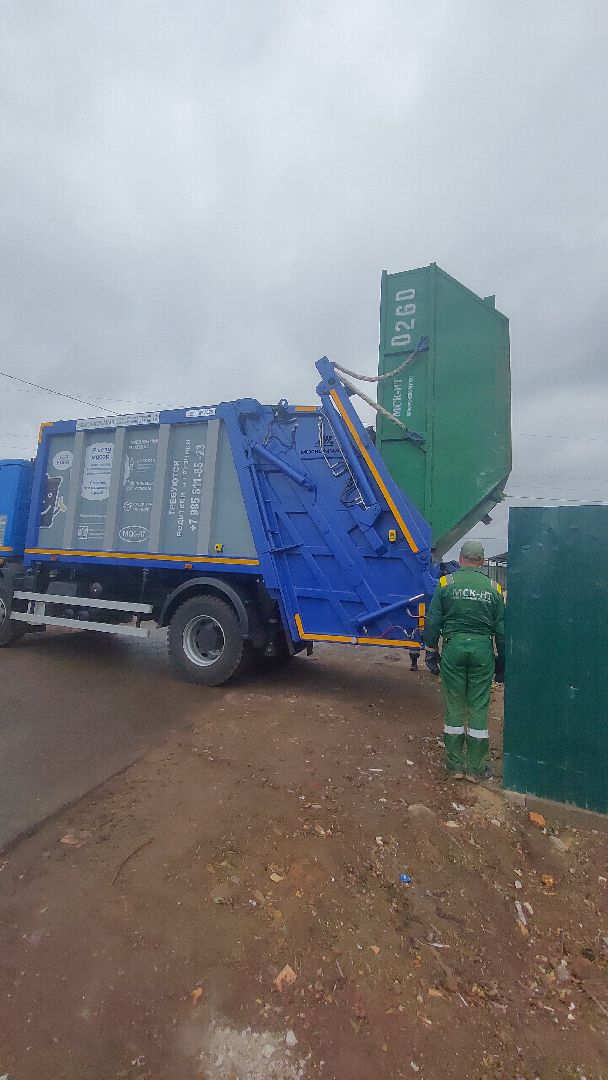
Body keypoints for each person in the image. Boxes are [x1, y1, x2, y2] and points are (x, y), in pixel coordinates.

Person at [423, 540, 505, 782]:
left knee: (454, 704)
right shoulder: (494, 588)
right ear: (482, 561)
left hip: (454, 648)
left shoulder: (445, 583)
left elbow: (433, 621)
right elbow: (501, 630)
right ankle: (476, 769)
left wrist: (431, 649)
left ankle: (454, 765)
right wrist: (502, 660)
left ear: (460, 559)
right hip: (482, 650)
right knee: (478, 706)